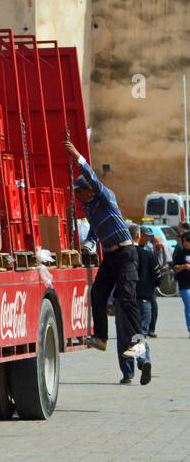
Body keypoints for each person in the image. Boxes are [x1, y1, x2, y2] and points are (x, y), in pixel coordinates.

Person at [64, 140, 145, 360]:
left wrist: (78, 156)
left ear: (89, 190)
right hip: (110, 255)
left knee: (127, 299)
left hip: (126, 254)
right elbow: (95, 229)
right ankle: (101, 338)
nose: (76, 196)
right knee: (97, 293)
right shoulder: (88, 207)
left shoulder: (105, 196)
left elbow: (93, 178)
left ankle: (139, 343)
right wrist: (89, 243)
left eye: (79, 192)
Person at [119, 234, 158, 385]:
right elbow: (158, 277)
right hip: (145, 300)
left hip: (125, 300)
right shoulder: (148, 254)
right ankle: (143, 360)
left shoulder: (122, 255)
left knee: (125, 337)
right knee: (139, 333)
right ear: (138, 236)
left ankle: (128, 374)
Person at [172, 232, 190, 337]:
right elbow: (176, 267)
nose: (185, 243)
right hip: (185, 284)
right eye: (184, 241)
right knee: (189, 307)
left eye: (187, 241)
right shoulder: (181, 253)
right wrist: (184, 266)